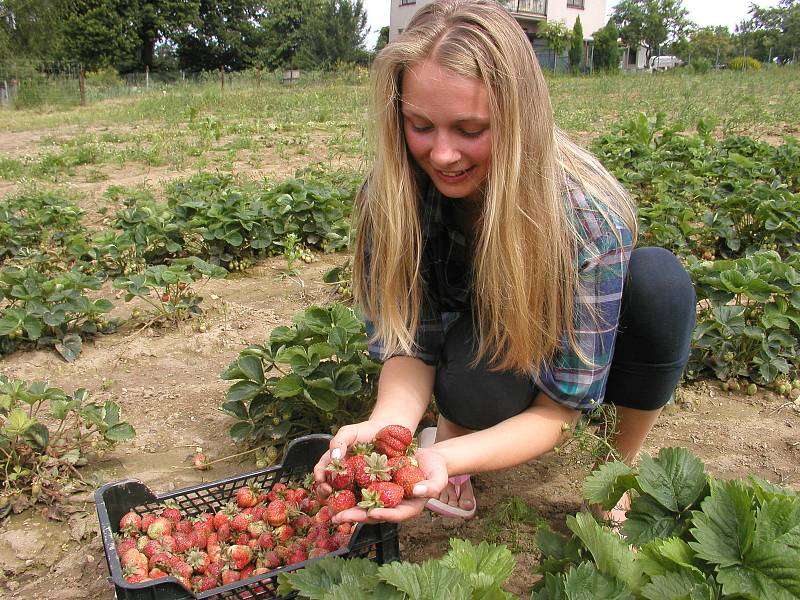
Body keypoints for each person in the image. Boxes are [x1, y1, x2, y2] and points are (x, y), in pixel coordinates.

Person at [313, 0, 695, 526]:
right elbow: (410, 345)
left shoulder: (585, 218)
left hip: (560, 335)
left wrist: (443, 460)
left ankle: (618, 469)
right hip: (487, 340)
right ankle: (457, 429)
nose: (443, 154)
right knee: (475, 364)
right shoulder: (394, 199)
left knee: (662, 287)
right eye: (420, 125)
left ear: (520, 120)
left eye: (470, 130)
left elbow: (557, 412)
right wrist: (388, 433)